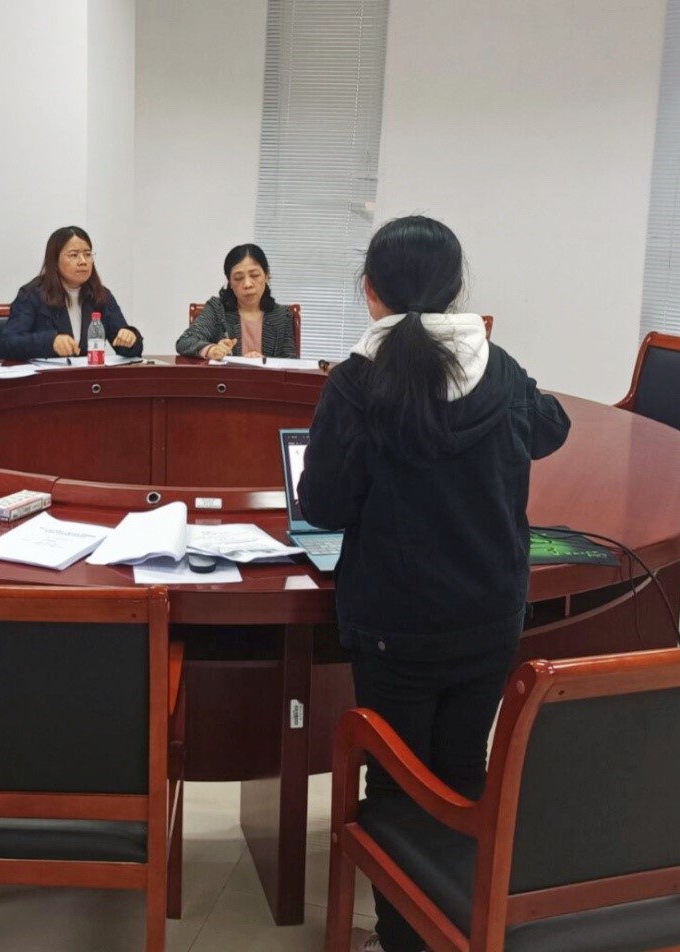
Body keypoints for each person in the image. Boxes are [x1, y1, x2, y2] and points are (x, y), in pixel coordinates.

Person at [295, 216, 569, 952]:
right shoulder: (499, 368)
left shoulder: (357, 381)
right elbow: (552, 429)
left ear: (370, 291)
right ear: (454, 291)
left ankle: (404, 939)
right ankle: (458, 927)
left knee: (394, 784)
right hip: (490, 613)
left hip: (395, 622)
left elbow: (322, 505)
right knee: (461, 771)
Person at [3, 226, 143, 360]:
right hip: (48, 375)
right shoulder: (32, 295)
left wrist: (130, 338)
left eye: (87, 254)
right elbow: (10, 342)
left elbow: (127, 348)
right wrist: (50, 342)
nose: (83, 261)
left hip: (86, 374)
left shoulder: (101, 295)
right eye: (74, 255)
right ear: (55, 260)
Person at [175, 243, 296, 360]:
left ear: (266, 276)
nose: (247, 284)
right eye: (238, 278)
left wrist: (265, 362)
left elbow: (291, 363)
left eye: (254, 275)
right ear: (230, 283)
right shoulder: (217, 309)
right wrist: (211, 350)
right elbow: (185, 341)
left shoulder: (282, 316)